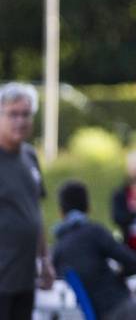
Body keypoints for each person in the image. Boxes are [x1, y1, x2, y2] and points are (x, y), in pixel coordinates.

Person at [51, 180, 136, 320]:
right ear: (88, 208)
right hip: (117, 306)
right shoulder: (94, 232)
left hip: (96, 313)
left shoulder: (59, 249)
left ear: (61, 212)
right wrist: (119, 278)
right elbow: (132, 261)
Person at [0, 83, 54, 320]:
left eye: (26, 114)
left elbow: (35, 210)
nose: (20, 121)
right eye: (13, 114)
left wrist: (45, 259)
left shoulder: (29, 155)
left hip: (25, 276)